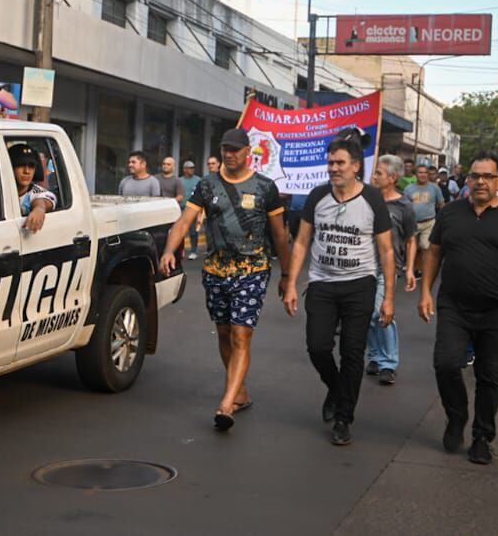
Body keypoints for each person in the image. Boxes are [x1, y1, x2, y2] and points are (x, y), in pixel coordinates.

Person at [159, 128, 289, 430]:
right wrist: (169, 250)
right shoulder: (207, 184)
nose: (229, 154)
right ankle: (240, 392)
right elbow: (184, 221)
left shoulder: (265, 187)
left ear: (247, 152)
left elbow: (280, 236)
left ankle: (226, 405)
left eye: (234, 149)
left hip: (252, 270)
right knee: (223, 333)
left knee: (241, 335)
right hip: (216, 271)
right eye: (224, 149)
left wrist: (287, 275)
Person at [419, 152, 498, 466]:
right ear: (468, 179)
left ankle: (482, 437)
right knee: (445, 364)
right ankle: (456, 417)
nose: (480, 182)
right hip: (453, 305)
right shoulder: (451, 213)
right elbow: (434, 253)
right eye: (475, 176)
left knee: (490, 377)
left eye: (488, 176)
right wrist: (425, 292)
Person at [282, 133, 396, 446]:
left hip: (360, 284)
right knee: (318, 347)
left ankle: (344, 416)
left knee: (352, 352)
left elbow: (386, 251)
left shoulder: (372, 199)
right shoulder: (317, 197)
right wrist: (292, 283)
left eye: (340, 163)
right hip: (322, 282)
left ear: (356, 166)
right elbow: (302, 241)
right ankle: (336, 387)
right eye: (330, 162)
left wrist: (388, 298)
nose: (333, 167)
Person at [365, 154, 418, 385]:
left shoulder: (404, 205)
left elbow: (410, 239)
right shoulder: (367, 199)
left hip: (387, 268)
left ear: (393, 177)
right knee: (367, 314)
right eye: (375, 172)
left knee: (382, 312)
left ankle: (389, 363)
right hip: (363, 265)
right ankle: (375, 356)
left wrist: (409, 269)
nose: (374, 176)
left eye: (379, 173)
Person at [403, 164, 445, 266]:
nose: (423, 175)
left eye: (425, 172)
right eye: (420, 172)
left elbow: (441, 204)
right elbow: (403, 206)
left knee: (425, 246)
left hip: (428, 222)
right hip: (412, 223)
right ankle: (413, 268)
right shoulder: (408, 188)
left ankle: (422, 269)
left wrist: (443, 220)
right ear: (416, 174)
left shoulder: (434, 188)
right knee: (412, 247)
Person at [9, 145, 54, 234]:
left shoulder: (37, 192)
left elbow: (43, 200)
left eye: (31, 166)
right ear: (10, 167)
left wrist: (39, 209)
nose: (27, 171)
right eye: (20, 165)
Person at [180, 160, 203, 260]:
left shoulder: (198, 180)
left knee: (193, 231)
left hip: (194, 209)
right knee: (181, 231)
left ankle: (194, 251)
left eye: (193, 168)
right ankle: (181, 250)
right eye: (190, 168)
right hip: (181, 209)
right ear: (185, 169)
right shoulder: (180, 180)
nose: (192, 170)